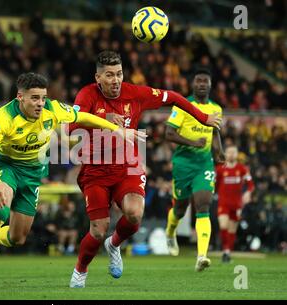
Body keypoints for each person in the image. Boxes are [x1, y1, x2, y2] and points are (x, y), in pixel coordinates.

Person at [0, 72, 145, 290]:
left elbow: (83, 117)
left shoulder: (53, 108)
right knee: (0, 213)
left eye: (43, 98)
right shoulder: (5, 118)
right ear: (20, 97)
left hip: (32, 173)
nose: (40, 103)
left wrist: (116, 128)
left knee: (17, 237)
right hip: (6, 167)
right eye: (34, 98)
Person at [68, 51, 221, 288]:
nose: (115, 80)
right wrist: (109, 121)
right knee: (98, 230)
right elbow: (72, 125)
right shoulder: (87, 95)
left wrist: (202, 117)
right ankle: (80, 270)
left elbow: (173, 97)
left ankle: (115, 244)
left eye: (119, 74)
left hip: (128, 167)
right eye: (109, 75)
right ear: (98, 78)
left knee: (135, 214)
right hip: (95, 171)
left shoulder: (135, 94)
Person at [165, 68, 225, 272]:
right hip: (183, 164)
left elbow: (215, 132)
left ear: (210, 85)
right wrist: (193, 142)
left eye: (205, 81)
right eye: (198, 80)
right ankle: (170, 231)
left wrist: (219, 152)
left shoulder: (216, 108)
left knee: (203, 205)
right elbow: (169, 134)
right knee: (180, 208)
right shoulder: (183, 105)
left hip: (204, 164)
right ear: (193, 84)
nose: (201, 84)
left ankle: (202, 256)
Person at [215, 145, 254, 262]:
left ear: (237, 154)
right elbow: (214, 185)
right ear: (225, 154)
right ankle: (225, 249)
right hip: (223, 203)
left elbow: (251, 184)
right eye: (229, 152)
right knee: (223, 226)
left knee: (232, 230)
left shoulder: (242, 169)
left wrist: (248, 193)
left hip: (236, 204)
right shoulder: (220, 169)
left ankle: (227, 252)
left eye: (233, 152)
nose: (231, 154)